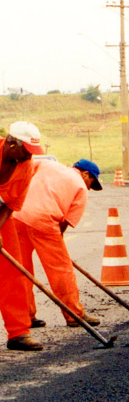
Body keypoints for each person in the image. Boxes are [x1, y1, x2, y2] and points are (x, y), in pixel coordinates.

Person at [15, 159, 104, 328]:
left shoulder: (48, 165)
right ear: (85, 174)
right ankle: (74, 314)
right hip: (44, 220)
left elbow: (26, 167)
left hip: (18, 215)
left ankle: (26, 315)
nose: (89, 188)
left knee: (21, 268)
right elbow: (65, 223)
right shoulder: (81, 188)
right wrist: (58, 245)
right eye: (92, 182)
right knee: (61, 269)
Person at [0, 121, 45, 351]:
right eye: (26, 150)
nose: (29, 156)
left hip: (2, 216)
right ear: (10, 143)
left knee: (12, 271)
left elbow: (12, 204)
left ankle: (18, 333)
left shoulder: (26, 166)